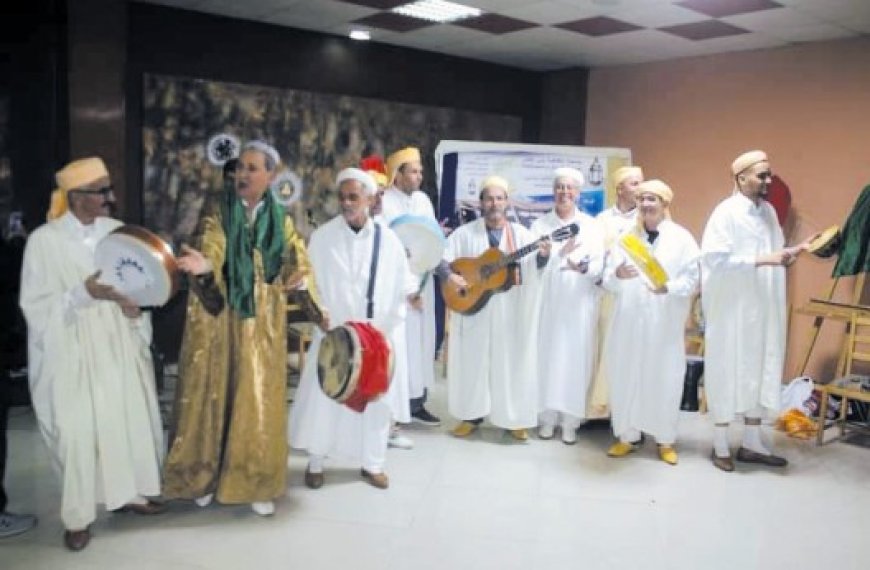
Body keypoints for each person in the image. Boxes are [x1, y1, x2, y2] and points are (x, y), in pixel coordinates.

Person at [162, 141, 318, 515]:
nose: (242, 174)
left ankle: (254, 482)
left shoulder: (280, 220)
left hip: (261, 327)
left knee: (255, 400)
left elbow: (296, 263)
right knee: (210, 395)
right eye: (240, 168)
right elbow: (213, 246)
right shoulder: (218, 212)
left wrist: (300, 280)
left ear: (270, 175)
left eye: (252, 168)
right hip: (219, 322)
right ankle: (203, 475)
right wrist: (205, 267)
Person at [19, 157, 165, 551]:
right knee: (77, 433)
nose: (110, 198)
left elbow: (140, 285)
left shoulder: (117, 233)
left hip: (117, 343)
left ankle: (130, 495)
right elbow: (35, 307)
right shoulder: (44, 242)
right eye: (101, 191)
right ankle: (78, 517)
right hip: (73, 353)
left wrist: (136, 310)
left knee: (125, 420)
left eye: (108, 189)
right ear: (76, 196)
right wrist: (84, 293)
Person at [289, 168, 413, 490]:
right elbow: (310, 284)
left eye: (353, 197)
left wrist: (383, 331)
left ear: (370, 199)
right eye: (342, 196)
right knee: (323, 399)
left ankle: (373, 464)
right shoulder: (323, 238)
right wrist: (320, 315)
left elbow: (400, 287)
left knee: (375, 403)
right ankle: (316, 462)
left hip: (374, 340)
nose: (346, 202)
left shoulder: (389, 242)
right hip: (334, 337)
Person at [701, 150, 808, 472]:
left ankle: (751, 443)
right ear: (740, 178)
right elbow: (714, 259)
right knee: (728, 367)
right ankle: (720, 446)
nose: (767, 181)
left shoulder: (769, 213)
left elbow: (772, 254)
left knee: (759, 368)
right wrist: (763, 260)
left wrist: (793, 252)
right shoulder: (725, 212)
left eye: (769, 175)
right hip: (733, 311)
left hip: (762, 308)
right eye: (761, 175)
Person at [602, 180, 700, 465]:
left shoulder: (682, 239)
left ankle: (665, 439)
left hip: (663, 326)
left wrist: (668, 288)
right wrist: (617, 275)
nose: (646, 204)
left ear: (665, 204)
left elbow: (692, 278)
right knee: (626, 376)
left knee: (665, 379)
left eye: (652, 199)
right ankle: (626, 437)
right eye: (642, 198)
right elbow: (608, 279)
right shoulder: (625, 238)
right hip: (629, 323)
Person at [441, 176, 542, 441]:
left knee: (509, 364)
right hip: (475, 309)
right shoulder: (465, 234)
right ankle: (470, 416)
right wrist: (453, 277)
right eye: (489, 198)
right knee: (472, 364)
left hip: (509, 314)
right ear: (481, 203)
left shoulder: (521, 235)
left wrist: (542, 256)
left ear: (507, 202)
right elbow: (444, 260)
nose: (494, 203)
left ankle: (513, 419)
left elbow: (534, 267)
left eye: (499, 198)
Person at [531, 168, 604, 444]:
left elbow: (598, 265)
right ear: (554, 191)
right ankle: (546, 419)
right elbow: (531, 265)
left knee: (575, 359)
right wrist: (554, 256)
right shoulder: (540, 226)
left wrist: (582, 266)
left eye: (569, 188)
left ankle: (571, 421)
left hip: (578, 305)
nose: (564, 192)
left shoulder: (591, 226)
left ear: (577, 193)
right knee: (547, 357)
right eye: (559, 187)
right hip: (548, 304)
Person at [380, 147, 442, 433]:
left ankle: (417, 403)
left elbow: (429, 238)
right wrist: (406, 289)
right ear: (398, 174)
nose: (419, 176)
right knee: (400, 345)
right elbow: (388, 245)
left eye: (420, 171)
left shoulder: (423, 200)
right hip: (397, 288)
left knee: (421, 342)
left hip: (423, 283)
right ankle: (394, 408)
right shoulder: (384, 202)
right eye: (413, 171)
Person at [589, 166, 644, 418]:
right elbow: (594, 256)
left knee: (630, 352)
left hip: (635, 296)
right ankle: (599, 409)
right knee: (602, 349)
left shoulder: (646, 219)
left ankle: (625, 412)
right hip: (607, 295)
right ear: (619, 188)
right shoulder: (602, 220)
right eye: (634, 184)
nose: (640, 189)